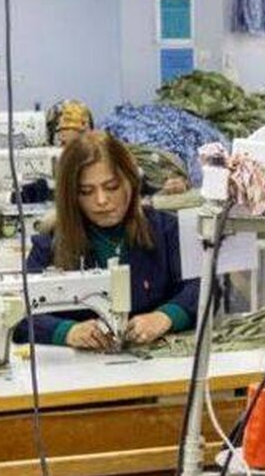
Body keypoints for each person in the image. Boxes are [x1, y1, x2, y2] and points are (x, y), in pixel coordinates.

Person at [15, 131, 198, 350]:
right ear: (71, 196)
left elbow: (202, 288)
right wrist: (67, 331)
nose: (101, 200)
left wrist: (166, 316)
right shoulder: (50, 244)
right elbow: (18, 314)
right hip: (78, 368)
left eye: (112, 187)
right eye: (86, 192)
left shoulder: (165, 230)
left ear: (131, 181)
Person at [46, 100, 189, 196]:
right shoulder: (45, 178)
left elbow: (142, 187)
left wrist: (168, 189)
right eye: (64, 144)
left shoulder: (112, 162)